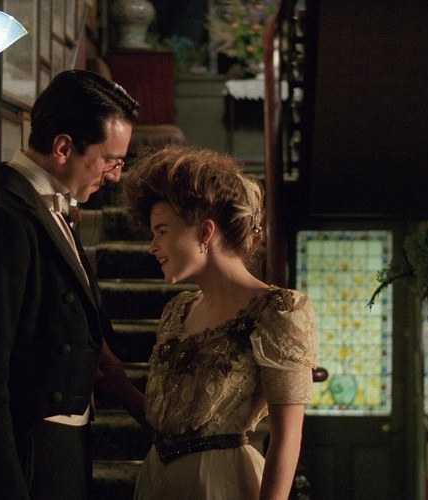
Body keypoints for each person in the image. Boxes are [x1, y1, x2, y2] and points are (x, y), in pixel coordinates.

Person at [0, 70, 139, 500]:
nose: (115, 176)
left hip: (63, 448)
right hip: (26, 457)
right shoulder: (1, 221)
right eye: (111, 160)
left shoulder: (49, 205)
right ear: (63, 148)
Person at [102, 144, 319, 499]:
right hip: (157, 483)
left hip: (221, 486)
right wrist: (119, 384)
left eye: (161, 231)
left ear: (205, 232)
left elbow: (287, 438)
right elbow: (171, 427)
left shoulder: (278, 311)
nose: (152, 246)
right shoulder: (178, 311)